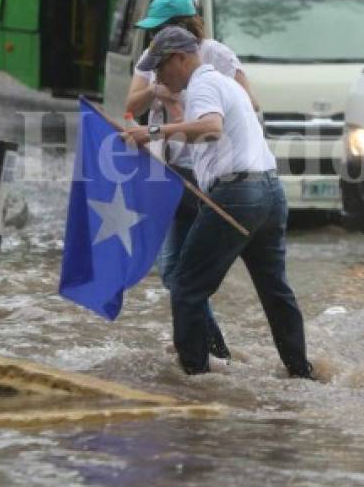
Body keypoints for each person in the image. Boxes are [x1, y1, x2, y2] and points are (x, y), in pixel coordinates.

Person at [121, 27, 313, 379]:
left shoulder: (203, 84)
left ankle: (194, 381)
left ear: (180, 58)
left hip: (238, 194)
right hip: (270, 193)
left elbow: (210, 128)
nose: (158, 77)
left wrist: (151, 132)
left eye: (160, 67)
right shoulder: (225, 84)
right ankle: (302, 372)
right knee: (275, 291)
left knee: (185, 286)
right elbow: (205, 131)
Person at [125, 0, 259, 361]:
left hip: (205, 172)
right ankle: (213, 350)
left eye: (162, 29)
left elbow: (250, 104)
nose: (155, 39)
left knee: (182, 275)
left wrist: (199, 98)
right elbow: (131, 104)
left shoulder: (216, 58)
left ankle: (207, 355)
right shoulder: (153, 59)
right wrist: (158, 88)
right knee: (175, 274)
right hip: (166, 170)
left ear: (183, 28)